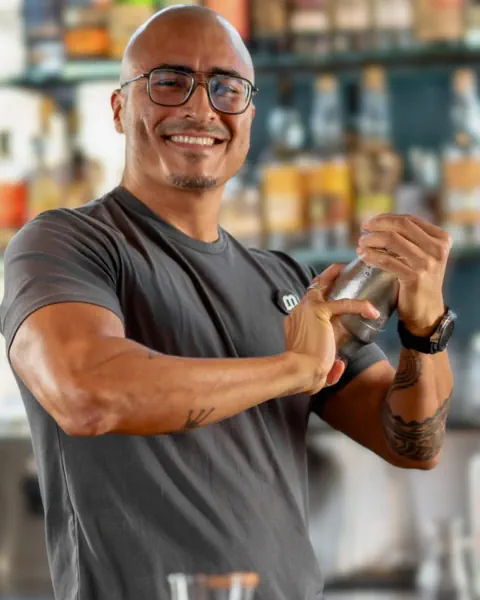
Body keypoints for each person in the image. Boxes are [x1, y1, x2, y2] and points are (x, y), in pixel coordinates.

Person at [0, 6, 455, 600]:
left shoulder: (288, 281)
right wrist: (291, 369)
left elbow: (411, 444)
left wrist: (424, 327)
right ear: (118, 108)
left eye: (226, 87)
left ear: (248, 116)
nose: (200, 107)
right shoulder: (67, 243)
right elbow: (85, 395)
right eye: (168, 81)